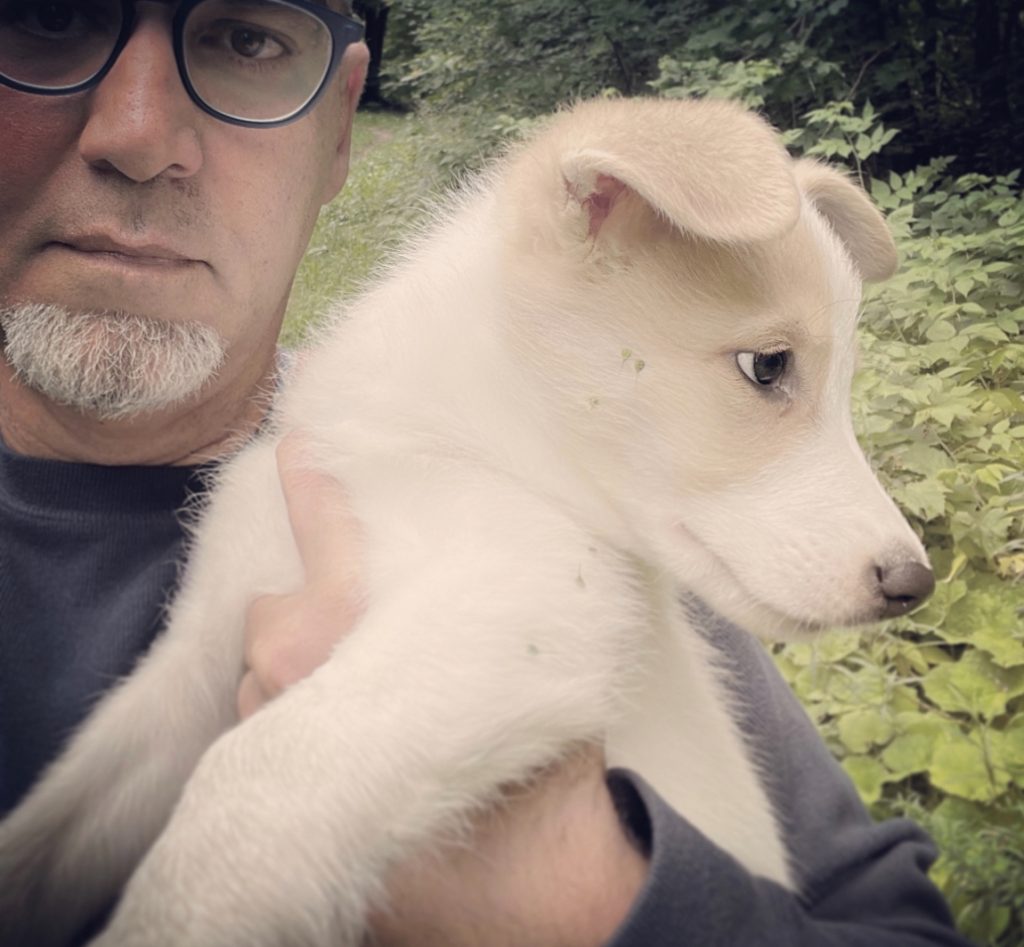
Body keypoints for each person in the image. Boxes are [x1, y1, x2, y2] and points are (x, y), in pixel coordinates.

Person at [0, 3, 975, 945]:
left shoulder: (606, 502)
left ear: (341, 124)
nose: (135, 136)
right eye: (47, 15)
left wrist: (580, 902)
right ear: (599, 207)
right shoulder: (342, 462)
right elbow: (154, 741)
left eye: (244, 38)